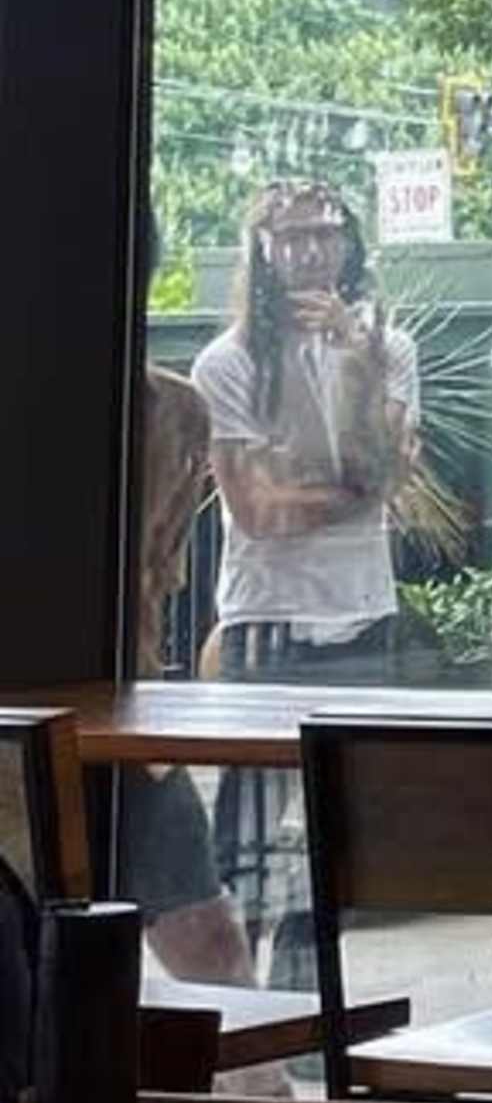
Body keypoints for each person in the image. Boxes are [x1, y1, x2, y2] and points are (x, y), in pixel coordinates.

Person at [189, 182, 419, 679]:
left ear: (348, 244)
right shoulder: (226, 363)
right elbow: (260, 511)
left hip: (364, 611)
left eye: (326, 235)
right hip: (267, 616)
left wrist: (357, 363)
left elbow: (377, 469)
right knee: (257, 758)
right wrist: (368, 489)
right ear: (264, 249)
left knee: (361, 759)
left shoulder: (388, 349)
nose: (311, 252)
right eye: (293, 237)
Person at [115, 365, 255, 991]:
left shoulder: (163, 406)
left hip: (120, 730)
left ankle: (261, 1087)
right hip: (88, 734)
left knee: (205, 935)